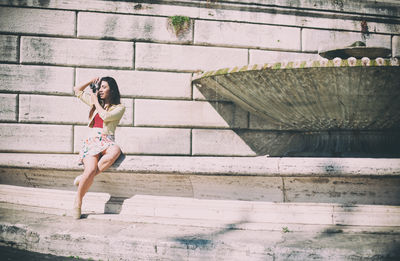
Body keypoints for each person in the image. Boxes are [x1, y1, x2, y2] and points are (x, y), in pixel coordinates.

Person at [72, 77, 125, 219]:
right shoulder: (95, 102)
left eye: (104, 87)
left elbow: (106, 116)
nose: (100, 90)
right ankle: (78, 201)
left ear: (111, 90)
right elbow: (76, 90)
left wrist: (95, 101)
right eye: (99, 87)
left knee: (116, 150)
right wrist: (90, 81)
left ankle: (83, 178)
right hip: (92, 140)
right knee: (89, 169)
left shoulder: (119, 108)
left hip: (107, 140)